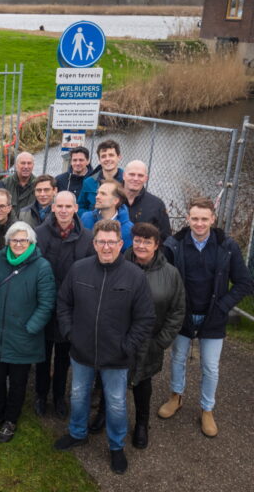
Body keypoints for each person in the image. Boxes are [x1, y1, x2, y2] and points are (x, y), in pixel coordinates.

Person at [54, 219, 155, 475]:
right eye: (101, 242)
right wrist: (70, 333)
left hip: (117, 356)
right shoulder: (79, 270)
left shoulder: (135, 276)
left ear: (121, 244)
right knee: (78, 395)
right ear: (94, 243)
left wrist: (127, 346)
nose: (106, 247)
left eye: (112, 242)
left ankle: (116, 446)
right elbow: (64, 303)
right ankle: (77, 433)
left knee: (117, 403)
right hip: (81, 351)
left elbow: (145, 318)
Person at [157, 197, 253, 437]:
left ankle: (206, 409)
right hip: (183, 314)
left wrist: (223, 307)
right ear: (187, 219)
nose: (199, 224)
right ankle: (176, 396)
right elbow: (164, 279)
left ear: (213, 219)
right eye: (194, 219)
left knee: (210, 367)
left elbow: (243, 282)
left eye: (204, 219)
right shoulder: (174, 245)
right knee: (178, 358)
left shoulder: (227, 247)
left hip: (213, 316)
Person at [0, 221, 55, 443]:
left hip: (23, 336)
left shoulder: (42, 267)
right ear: (8, 241)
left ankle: (11, 419)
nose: (19, 244)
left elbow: (47, 303)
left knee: (18, 382)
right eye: (14, 240)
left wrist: (30, 327)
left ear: (31, 242)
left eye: (23, 240)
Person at [122, 222, 185, 449]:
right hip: (119, 338)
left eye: (147, 242)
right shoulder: (119, 264)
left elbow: (177, 310)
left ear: (156, 245)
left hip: (149, 342)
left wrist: (161, 342)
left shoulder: (170, 274)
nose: (141, 245)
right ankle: (104, 413)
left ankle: (141, 423)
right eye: (137, 240)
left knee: (142, 383)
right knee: (110, 379)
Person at [34, 191, 94, 419]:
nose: (63, 210)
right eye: (59, 206)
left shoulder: (87, 238)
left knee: (63, 357)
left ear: (76, 208)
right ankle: (40, 394)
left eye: (68, 206)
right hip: (44, 306)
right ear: (53, 207)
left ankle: (59, 396)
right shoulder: (39, 234)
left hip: (71, 309)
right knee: (42, 354)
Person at [122, 160, 172, 241]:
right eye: (131, 174)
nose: (135, 178)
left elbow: (165, 238)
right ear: (124, 175)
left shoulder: (157, 205)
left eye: (140, 175)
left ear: (146, 178)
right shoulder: (112, 199)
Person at [80, 179, 133, 251]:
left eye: (103, 194)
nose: (97, 197)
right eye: (97, 193)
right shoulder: (86, 218)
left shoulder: (128, 229)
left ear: (115, 201)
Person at [77, 140, 124, 213]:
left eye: (111, 155)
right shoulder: (89, 182)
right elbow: (80, 207)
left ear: (119, 157)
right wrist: (91, 218)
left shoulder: (127, 181)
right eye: (103, 156)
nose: (107, 159)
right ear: (99, 160)